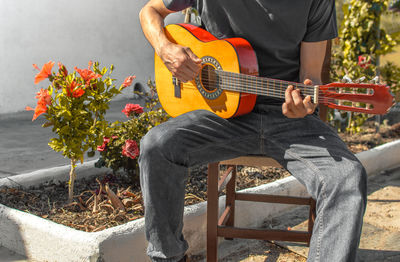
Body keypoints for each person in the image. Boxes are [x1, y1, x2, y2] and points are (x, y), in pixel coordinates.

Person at [139, 1, 367, 261]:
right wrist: (164, 47)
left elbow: (311, 78)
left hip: (289, 118)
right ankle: (170, 257)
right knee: (157, 146)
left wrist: (302, 106)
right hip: (220, 112)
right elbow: (151, 10)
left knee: (346, 177)